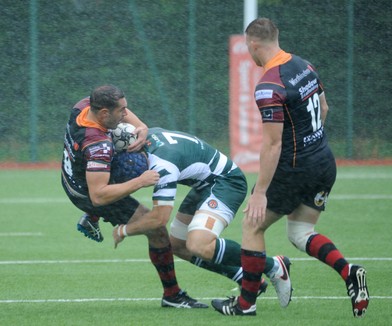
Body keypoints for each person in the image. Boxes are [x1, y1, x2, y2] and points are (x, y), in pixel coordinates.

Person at [211, 18, 369, 318]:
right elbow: (324, 108)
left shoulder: (269, 85)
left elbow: (272, 145)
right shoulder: (304, 65)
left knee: (252, 225)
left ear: (254, 44)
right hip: (323, 161)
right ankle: (349, 271)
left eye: (248, 48)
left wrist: (260, 192)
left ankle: (245, 304)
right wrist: (311, 145)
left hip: (295, 169)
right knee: (300, 232)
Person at [61, 85, 207, 309]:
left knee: (125, 156)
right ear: (103, 114)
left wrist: (141, 126)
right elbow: (99, 196)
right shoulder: (97, 145)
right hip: (87, 194)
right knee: (156, 227)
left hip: (71, 175)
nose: (124, 115)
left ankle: (91, 217)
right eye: (120, 111)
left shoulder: (82, 107)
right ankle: (173, 295)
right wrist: (141, 181)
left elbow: (126, 116)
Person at [111, 127, 292, 307]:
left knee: (199, 245)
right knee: (177, 245)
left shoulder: (163, 166)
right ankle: (245, 276)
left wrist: (124, 230)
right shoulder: (145, 134)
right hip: (204, 184)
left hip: (226, 182)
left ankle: (273, 266)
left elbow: (159, 219)